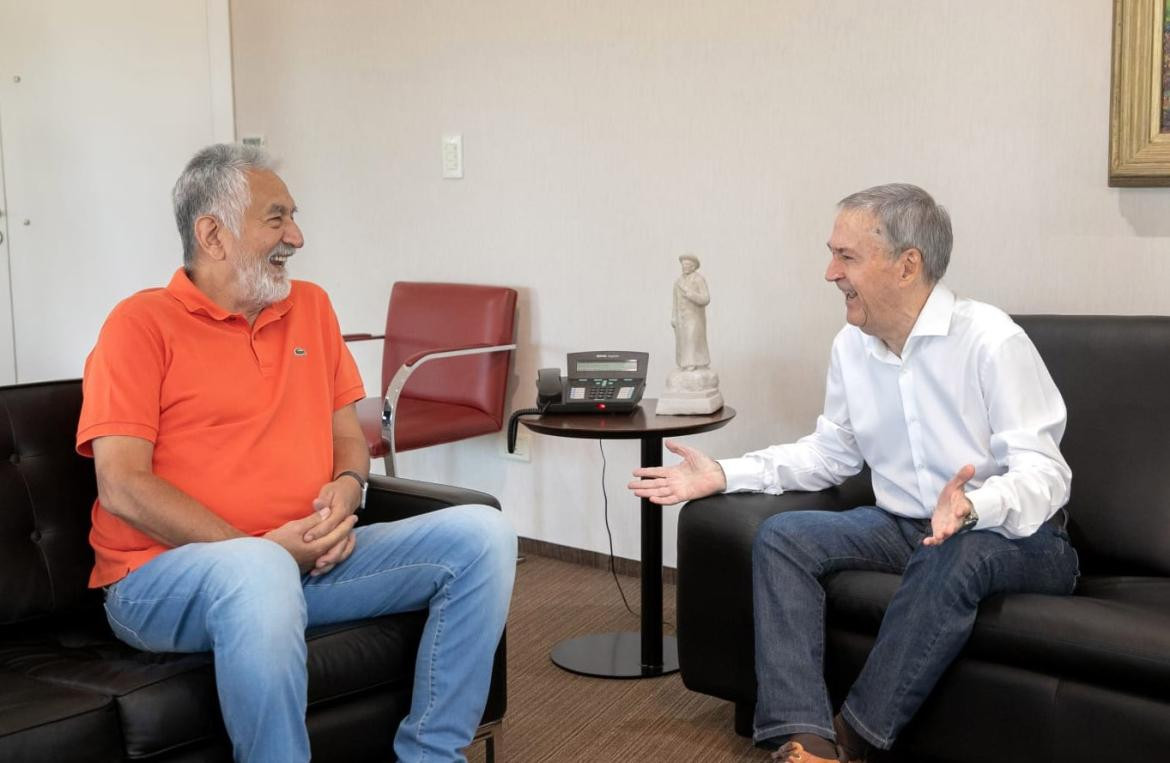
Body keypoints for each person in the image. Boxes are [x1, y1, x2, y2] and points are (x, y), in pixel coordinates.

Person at [78, 143, 516, 763]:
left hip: (309, 560)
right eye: (277, 218)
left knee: (484, 536)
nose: (298, 236)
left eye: (294, 216)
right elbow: (122, 485)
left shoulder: (310, 306)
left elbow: (347, 436)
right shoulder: (138, 325)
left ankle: (432, 755)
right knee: (256, 575)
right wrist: (259, 551)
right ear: (213, 234)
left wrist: (348, 487)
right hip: (160, 579)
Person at [629, 184, 1078, 763]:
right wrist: (724, 472)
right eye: (831, 253)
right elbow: (832, 453)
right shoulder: (852, 346)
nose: (828, 273)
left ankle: (854, 741)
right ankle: (802, 735)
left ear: (906, 265)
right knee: (783, 538)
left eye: (846, 256)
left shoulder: (991, 341)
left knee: (956, 550)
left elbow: (1046, 473)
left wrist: (974, 508)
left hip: (1018, 537)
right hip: (902, 528)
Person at [672, 253, 712, 370]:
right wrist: (673, 316)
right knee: (682, 340)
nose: (684, 267)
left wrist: (691, 295)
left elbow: (706, 298)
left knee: (692, 339)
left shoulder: (699, 279)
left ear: (693, 266)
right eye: (683, 264)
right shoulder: (677, 282)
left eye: (687, 265)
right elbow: (675, 301)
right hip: (681, 317)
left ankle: (693, 362)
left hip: (694, 317)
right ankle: (684, 363)